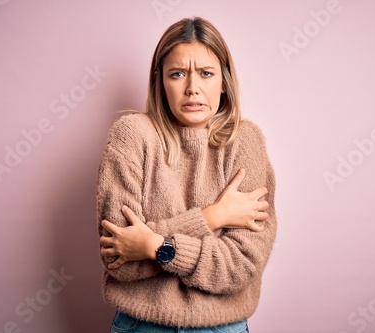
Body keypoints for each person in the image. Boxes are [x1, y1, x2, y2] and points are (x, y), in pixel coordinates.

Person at [97, 17, 277, 333]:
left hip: (223, 328)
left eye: (206, 74)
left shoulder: (245, 142)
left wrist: (155, 244)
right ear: (160, 82)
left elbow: (240, 266)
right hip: (142, 326)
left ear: (224, 81)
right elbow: (121, 262)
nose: (192, 88)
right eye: (177, 74)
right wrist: (212, 218)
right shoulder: (132, 136)